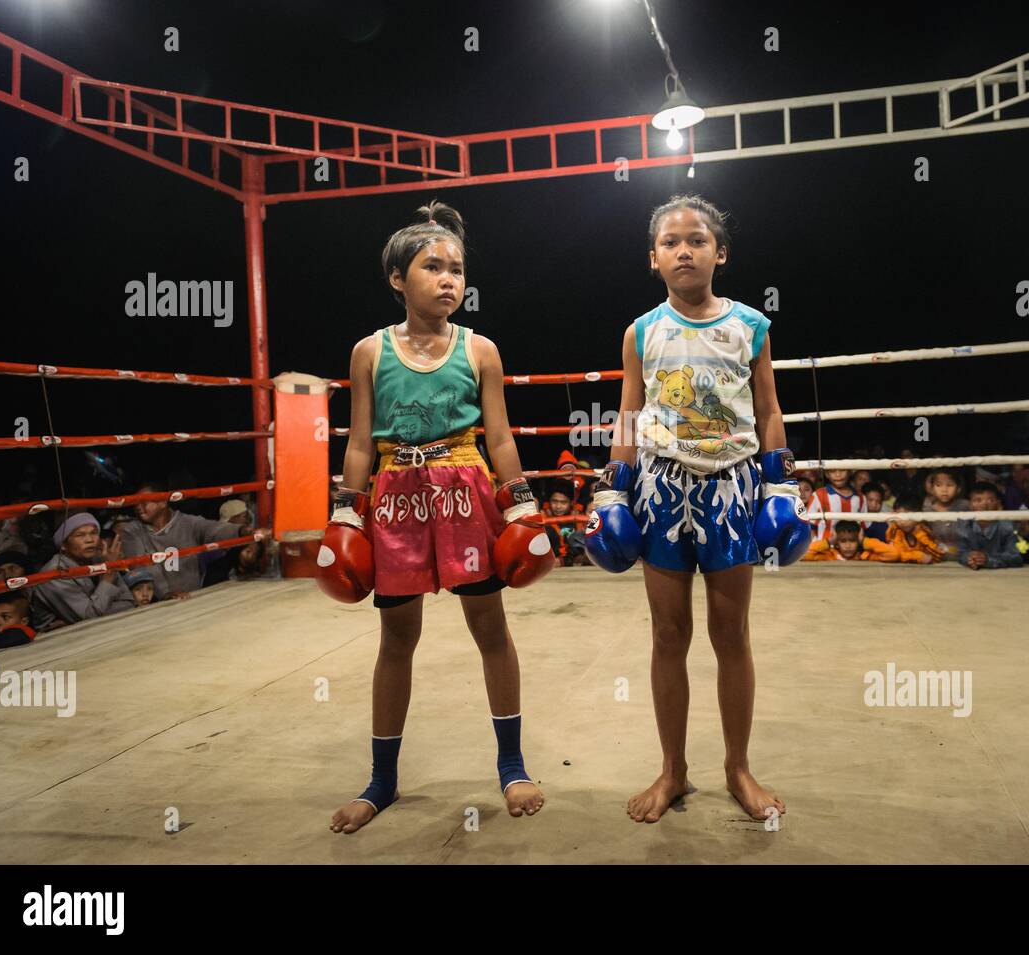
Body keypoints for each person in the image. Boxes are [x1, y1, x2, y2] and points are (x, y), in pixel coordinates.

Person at [326, 200, 550, 835]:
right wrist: (348, 514)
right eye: (433, 267)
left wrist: (523, 503)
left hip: (466, 494)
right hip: (397, 500)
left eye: (457, 268)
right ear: (399, 278)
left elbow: (500, 437)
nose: (450, 279)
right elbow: (361, 441)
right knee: (397, 639)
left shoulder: (481, 350)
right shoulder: (369, 352)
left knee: (490, 629)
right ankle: (381, 779)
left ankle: (512, 765)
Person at [586, 193, 809, 823]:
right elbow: (629, 414)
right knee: (667, 634)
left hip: (732, 488)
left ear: (721, 252)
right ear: (653, 258)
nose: (685, 250)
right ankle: (673, 771)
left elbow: (768, 410)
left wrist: (782, 487)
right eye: (671, 242)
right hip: (660, 490)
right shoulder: (642, 332)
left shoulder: (750, 326)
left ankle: (738, 768)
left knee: (731, 633)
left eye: (698, 240)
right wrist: (611, 493)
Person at [119, 484, 248, 598]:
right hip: (155, 602)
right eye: (135, 503)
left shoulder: (187, 522)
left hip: (192, 596)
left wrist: (242, 531)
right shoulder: (132, 531)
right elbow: (141, 566)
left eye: (143, 502)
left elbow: (213, 529)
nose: (138, 507)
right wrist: (165, 593)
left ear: (162, 502)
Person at [31, 512, 136, 629]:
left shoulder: (100, 558)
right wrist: (108, 576)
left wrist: (76, 619)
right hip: (58, 641)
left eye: (94, 533)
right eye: (80, 535)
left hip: (100, 628)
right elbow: (89, 619)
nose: (89, 540)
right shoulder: (53, 573)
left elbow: (129, 602)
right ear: (63, 545)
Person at [958, 482, 1023, 570]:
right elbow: (961, 553)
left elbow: (1016, 557)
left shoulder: (1008, 526)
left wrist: (988, 559)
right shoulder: (964, 524)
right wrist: (970, 558)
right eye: (978, 500)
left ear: (998, 504)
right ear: (970, 505)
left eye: (990, 500)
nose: (984, 505)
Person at [860, 500, 943, 563]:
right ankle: (866, 542)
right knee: (893, 554)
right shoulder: (895, 529)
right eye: (899, 516)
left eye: (907, 516)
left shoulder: (923, 530)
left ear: (918, 516)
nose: (903, 521)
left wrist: (919, 534)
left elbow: (937, 556)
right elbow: (898, 554)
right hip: (889, 554)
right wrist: (917, 556)